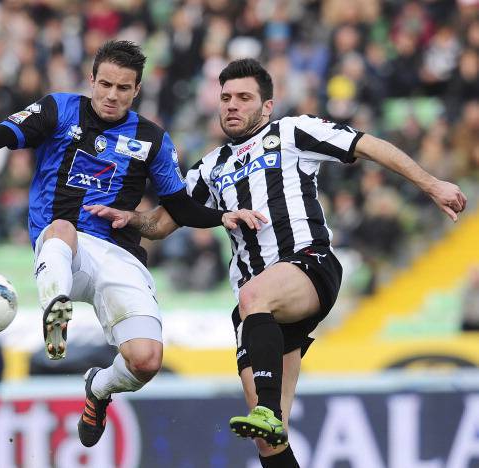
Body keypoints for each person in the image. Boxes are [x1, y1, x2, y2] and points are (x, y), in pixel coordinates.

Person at [84, 58, 467, 467]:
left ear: (267, 106)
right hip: (258, 313)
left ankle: (267, 408)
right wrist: (130, 218)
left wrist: (431, 184)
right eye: (226, 98)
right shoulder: (208, 168)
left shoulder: (292, 131)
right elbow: (162, 223)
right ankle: (270, 416)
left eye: (244, 97)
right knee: (268, 440)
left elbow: (367, 144)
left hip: (307, 265)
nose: (232, 105)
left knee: (254, 303)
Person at [0, 41, 264, 448]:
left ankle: (99, 388)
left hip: (120, 256)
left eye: (122, 88)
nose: (112, 95)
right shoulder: (60, 109)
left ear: (136, 90)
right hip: (64, 251)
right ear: (92, 81)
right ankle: (55, 308)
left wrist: (220, 216)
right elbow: (11, 131)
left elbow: (178, 206)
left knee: (146, 360)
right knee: (61, 228)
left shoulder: (152, 139)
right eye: (105, 85)